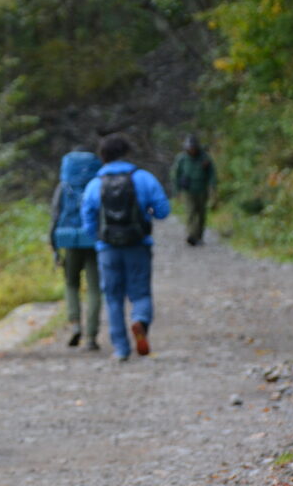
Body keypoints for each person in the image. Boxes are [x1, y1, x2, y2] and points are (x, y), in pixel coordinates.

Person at [80, 134, 170, 361]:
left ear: (103, 157)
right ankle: (139, 319)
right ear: (126, 153)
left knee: (113, 298)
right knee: (140, 293)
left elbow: (88, 219)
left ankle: (121, 349)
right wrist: (147, 213)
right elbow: (163, 210)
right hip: (138, 245)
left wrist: (98, 240)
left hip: (107, 248)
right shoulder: (143, 178)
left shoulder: (94, 184)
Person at [50, 146, 103, 350]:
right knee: (94, 288)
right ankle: (91, 336)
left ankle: (74, 324)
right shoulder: (97, 185)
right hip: (94, 240)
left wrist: (54, 245)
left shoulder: (64, 186)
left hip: (70, 241)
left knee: (71, 284)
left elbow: (55, 215)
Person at [170, 134, 217, 245]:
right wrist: (177, 190)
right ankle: (191, 235)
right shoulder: (181, 158)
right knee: (190, 212)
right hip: (188, 190)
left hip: (201, 189)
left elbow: (212, 173)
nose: (192, 150)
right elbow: (176, 174)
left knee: (201, 213)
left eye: (193, 148)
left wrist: (212, 186)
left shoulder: (205, 157)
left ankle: (199, 236)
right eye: (190, 148)